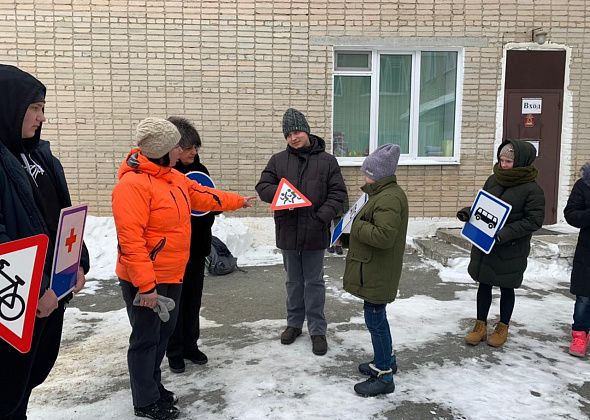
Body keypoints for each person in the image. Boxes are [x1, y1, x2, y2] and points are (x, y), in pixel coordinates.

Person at [112, 117, 255, 420]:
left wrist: (238, 201)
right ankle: (145, 401)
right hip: (146, 279)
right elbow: (131, 241)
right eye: (177, 147)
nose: (182, 152)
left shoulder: (171, 177)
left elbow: (203, 196)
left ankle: (153, 386)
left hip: (172, 274)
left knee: (162, 337)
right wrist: (146, 287)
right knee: (145, 340)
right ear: (161, 150)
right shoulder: (132, 186)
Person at [0, 64, 89, 419]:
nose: (42, 118)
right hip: (17, 303)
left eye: (42, 108)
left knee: (24, 388)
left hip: (50, 298)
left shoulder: (40, 156)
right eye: (34, 108)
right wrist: (36, 290)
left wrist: (78, 261)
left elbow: (61, 215)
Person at [255, 108, 347, 356]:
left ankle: (317, 329)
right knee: (293, 282)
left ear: (306, 130)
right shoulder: (278, 160)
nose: (293, 138)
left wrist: (322, 217)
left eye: (296, 131)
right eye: (288, 134)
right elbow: (262, 185)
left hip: (315, 232)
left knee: (314, 282)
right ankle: (294, 324)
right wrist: (281, 196)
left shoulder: (327, 161)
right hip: (287, 230)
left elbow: (338, 195)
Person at [458, 140, 545, 348]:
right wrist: (469, 212)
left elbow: (534, 221)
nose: (503, 165)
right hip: (486, 244)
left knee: (507, 288)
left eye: (508, 161)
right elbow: (484, 205)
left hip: (510, 248)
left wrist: (505, 234)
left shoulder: (533, 190)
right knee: (484, 284)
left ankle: (502, 327)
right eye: (501, 160)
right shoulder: (493, 180)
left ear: (521, 162)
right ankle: (480, 326)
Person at [342, 144, 408, 397]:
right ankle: (386, 360)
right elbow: (372, 231)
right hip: (376, 268)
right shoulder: (381, 194)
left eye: (367, 172)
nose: (363, 177)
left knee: (375, 319)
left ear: (378, 174)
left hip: (378, 271)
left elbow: (383, 236)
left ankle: (384, 375)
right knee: (377, 317)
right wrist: (346, 239)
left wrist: (355, 226)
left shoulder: (389, 198)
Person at [165, 116, 213, 373]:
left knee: (193, 300)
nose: (194, 152)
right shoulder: (166, 175)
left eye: (196, 148)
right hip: (173, 253)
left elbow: (210, 202)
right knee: (175, 302)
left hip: (197, 248)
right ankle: (173, 350)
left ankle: (190, 345)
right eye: (189, 148)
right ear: (174, 147)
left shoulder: (201, 171)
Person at [563, 161, 590, 357]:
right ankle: (580, 334)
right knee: (584, 297)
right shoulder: (584, 184)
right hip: (588, 252)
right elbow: (571, 214)